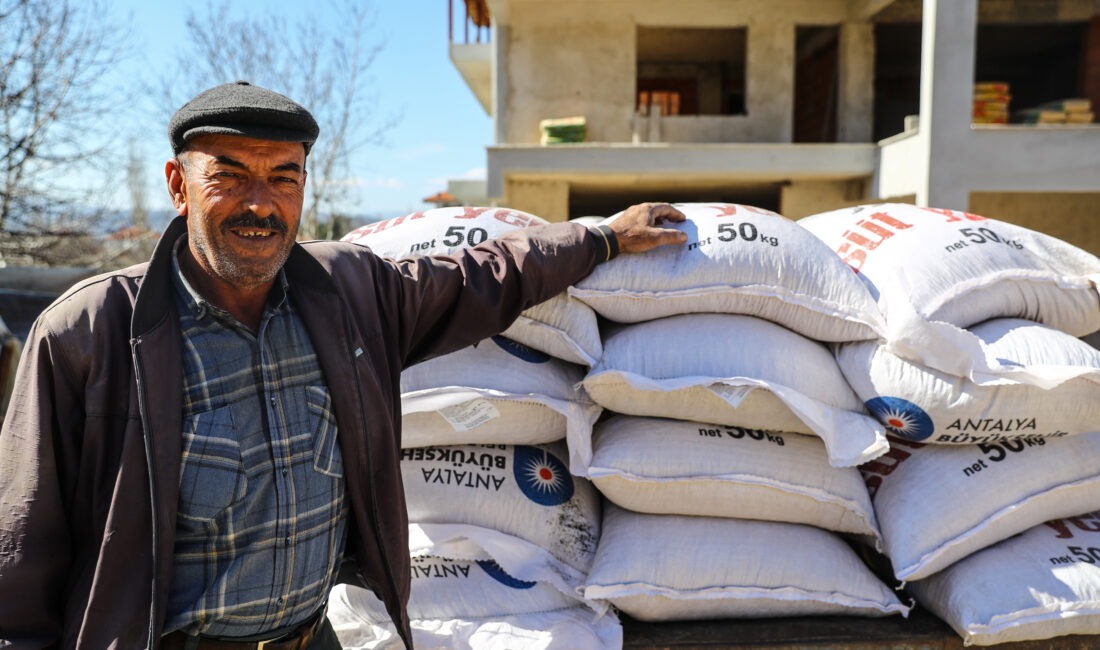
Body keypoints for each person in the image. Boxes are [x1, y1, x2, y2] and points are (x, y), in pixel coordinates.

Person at [0, 81, 686, 649]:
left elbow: (483, 276)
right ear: (179, 185)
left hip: (312, 638)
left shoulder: (351, 295)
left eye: (282, 177)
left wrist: (601, 238)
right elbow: (22, 553)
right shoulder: (89, 332)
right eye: (230, 177)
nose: (260, 203)